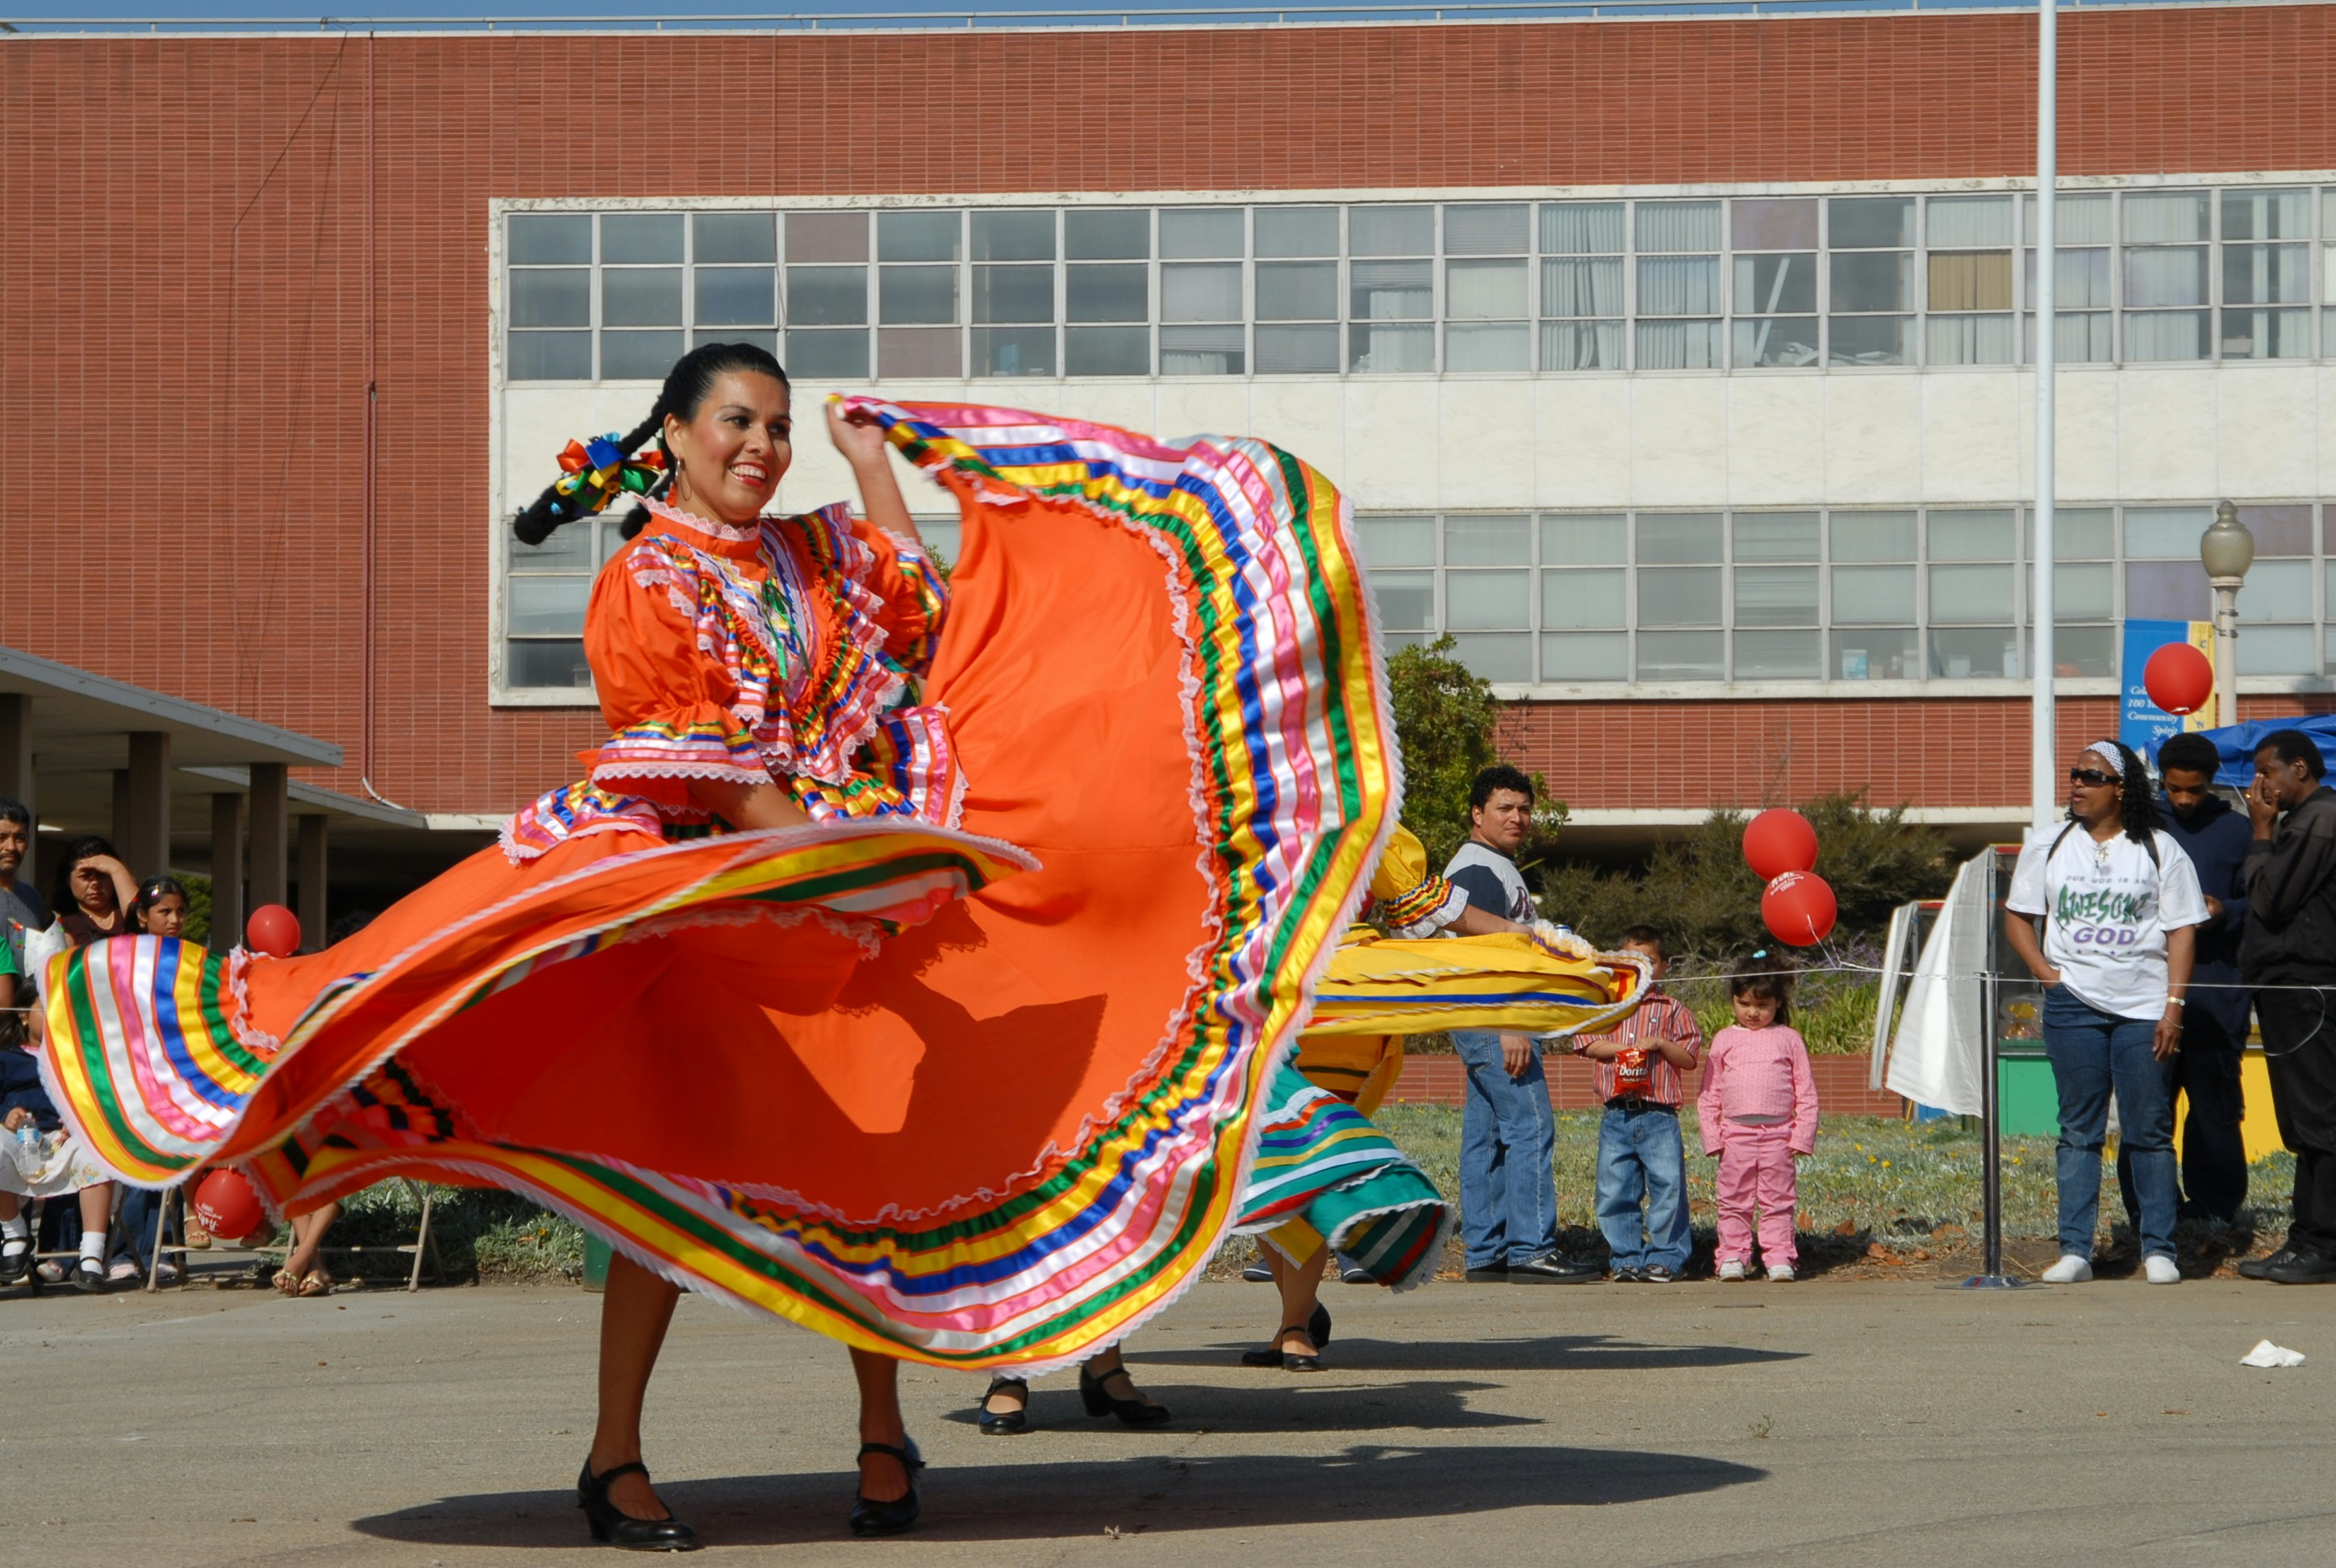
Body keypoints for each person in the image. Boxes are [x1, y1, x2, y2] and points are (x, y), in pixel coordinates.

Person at [33, 359, 1395, 1547]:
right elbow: (713, 772)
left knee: (870, 1155)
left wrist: (871, 462)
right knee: (667, 1177)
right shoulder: (646, 580)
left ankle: (882, 1432)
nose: (763, 445)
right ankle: (614, 1449)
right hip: (706, 910)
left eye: (781, 427)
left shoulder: (809, 553)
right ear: (675, 434)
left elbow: (913, 595)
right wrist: (835, 863)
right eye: (739, 422)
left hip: (835, 891)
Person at [2004, 739, 2205, 1286]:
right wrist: (2047, 975)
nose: (2077, 784)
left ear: (2121, 788)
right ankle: (2076, 1251)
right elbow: (2019, 917)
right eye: (2075, 774)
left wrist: (2173, 1007)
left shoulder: (2159, 848)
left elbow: (2182, 930)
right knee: (2078, 1131)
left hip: (2144, 1009)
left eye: (2091, 776)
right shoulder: (2048, 844)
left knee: (2149, 1130)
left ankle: (2159, 1248)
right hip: (2073, 1008)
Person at [1444, 765, 1591, 1283]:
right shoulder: (1478, 868)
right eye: (1504, 807)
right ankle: (1531, 1248)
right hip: (1493, 1015)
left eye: (1524, 809)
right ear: (1477, 813)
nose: (1517, 817)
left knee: (1486, 1136)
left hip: (1478, 1015)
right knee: (1530, 1126)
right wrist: (1511, 1023)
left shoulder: (1494, 865)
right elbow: (1483, 951)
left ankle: (1487, 1253)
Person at [2113, 732, 2250, 1224]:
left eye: (2195, 790)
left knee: (2215, 1111)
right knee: (2147, 1111)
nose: (2185, 799)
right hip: (2147, 995)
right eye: (2174, 789)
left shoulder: (2237, 831)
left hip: (2216, 995)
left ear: (2211, 782)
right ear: (2161, 782)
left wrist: (2225, 910)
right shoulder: (2138, 826)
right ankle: (2148, 1209)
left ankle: (2215, 1209)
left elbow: (2261, 902)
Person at [2236, 729, 2336, 1284]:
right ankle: (2305, 1239)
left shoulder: (2320, 819)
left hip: (2309, 990)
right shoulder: (2302, 821)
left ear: (2299, 768)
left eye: (2267, 772)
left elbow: (2272, 899)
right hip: (2286, 990)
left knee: (2320, 1120)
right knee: (2302, 1122)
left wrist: (2260, 833)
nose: (2261, 785)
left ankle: (2324, 1246)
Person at [1572, 926, 1702, 1282]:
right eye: (1632, 960)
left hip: (1659, 1115)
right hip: (1617, 1115)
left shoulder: (1674, 1010)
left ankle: (1666, 1257)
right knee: (1615, 1190)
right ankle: (1626, 1258)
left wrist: (1660, 1044)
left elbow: (1689, 1058)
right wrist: (1624, 1050)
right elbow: (1587, 1044)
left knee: (1668, 1188)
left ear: (1664, 967)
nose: (1642, 967)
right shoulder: (1605, 1005)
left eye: (1651, 961)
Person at [1, 936, 117, 1291]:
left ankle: (92, 1254)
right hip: (18, 1140)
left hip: (67, 1139)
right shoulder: (6, 1057)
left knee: (98, 1151)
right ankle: (15, 1235)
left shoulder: (78, 1057)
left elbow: (100, 1098)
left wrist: (81, 1119)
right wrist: (6, 1115)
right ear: (23, 1015)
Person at [1696, 953, 1817, 1282]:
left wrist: (1802, 1135)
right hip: (1735, 1135)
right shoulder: (1725, 1039)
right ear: (1733, 1000)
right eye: (1744, 1003)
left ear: (1778, 1002)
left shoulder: (1789, 1039)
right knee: (1733, 1200)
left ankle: (1779, 1256)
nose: (1752, 1012)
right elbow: (1710, 1092)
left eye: (1762, 1005)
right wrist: (1712, 1136)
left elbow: (1806, 1090)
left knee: (1778, 1200)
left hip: (1780, 1135)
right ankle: (1732, 1256)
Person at [49, 836, 139, 946]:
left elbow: (141, 918)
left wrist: (118, 869)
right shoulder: (64, 925)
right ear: (68, 880)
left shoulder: (126, 911)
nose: (95, 883)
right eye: (85, 876)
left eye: (102, 875)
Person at [0, 799, 48, 976]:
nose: (11, 847)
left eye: (19, 838)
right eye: (1, 837)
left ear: (28, 843)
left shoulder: (32, 898)